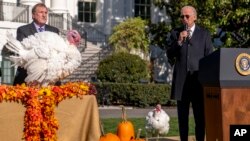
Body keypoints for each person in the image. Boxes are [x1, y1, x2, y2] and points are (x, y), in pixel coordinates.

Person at [167, 6, 213, 141]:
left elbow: (209, 57)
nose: (184, 19)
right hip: (181, 83)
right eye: (182, 16)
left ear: (195, 17)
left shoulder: (204, 34)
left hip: (198, 83)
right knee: (182, 120)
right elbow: (169, 54)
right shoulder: (175, 33)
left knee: (200, 119)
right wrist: (179, 41)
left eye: (187, 16)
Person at [13, 3, 59, 85]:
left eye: (46, 13)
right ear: (33, 15)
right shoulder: (23, 30)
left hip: (50, 77)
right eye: (41, 12)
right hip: (28, 76)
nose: (44, 15)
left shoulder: (54, 31)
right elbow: (21, 53)